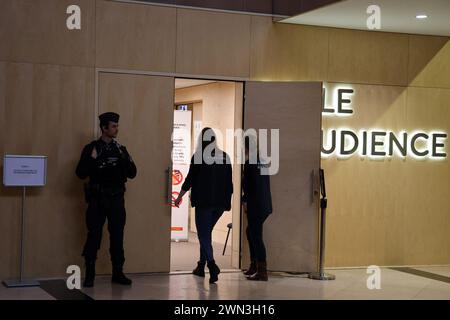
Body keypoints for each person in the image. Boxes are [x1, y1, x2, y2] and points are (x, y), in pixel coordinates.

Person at [75, 112, 137, 287]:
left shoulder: (120, 149)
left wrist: (124, 159)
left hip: (116, 199)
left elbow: (133, 173)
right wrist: (92, 158)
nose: (117, 129)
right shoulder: (92, 148)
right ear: (104, 128)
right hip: (97, 200)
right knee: (94, 235)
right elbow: (80, 173)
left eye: (117, 125)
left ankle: (118, 272)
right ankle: (90, 274)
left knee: (117, 236)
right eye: (113, 126)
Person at [174, 128, 233, 284]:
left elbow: (189, 179)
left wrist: (179, 196)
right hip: (220, 204)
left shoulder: (199, 157)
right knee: (206, 233)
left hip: (204, 203)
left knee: (203, 235)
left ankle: (212, 266)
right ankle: (200, 267)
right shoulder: (225, 157)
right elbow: (229, 183)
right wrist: (228, 203)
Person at [242, 135, 272, 281]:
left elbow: (248, 186)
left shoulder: (249, 163)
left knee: (256, 236)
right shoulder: (263, 161)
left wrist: (245, 202)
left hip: (255, 204)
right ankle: (254, 265)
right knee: (251, 232)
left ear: (246, 147)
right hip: (265, 204)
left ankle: (262, 271)